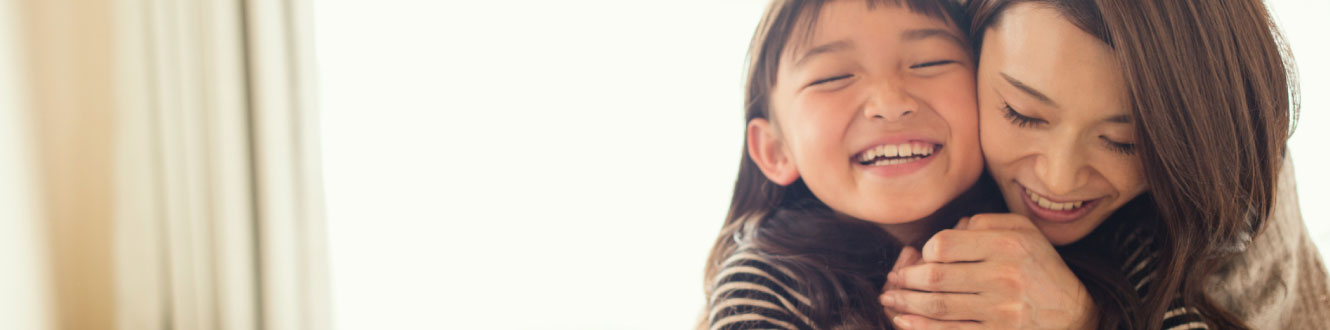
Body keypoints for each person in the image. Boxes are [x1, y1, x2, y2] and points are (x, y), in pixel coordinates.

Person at [880, 0, 1330, 328]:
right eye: (1023, 114)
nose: (1059, 179)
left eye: (1123, 142)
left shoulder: (1230, 191)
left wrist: (1086, 320)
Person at [700, 0, 995, 328]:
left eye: (929, 62)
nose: (891, 103)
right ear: (775, 151)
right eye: (833, 77)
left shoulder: (1040, 248)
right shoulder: (764, 284)